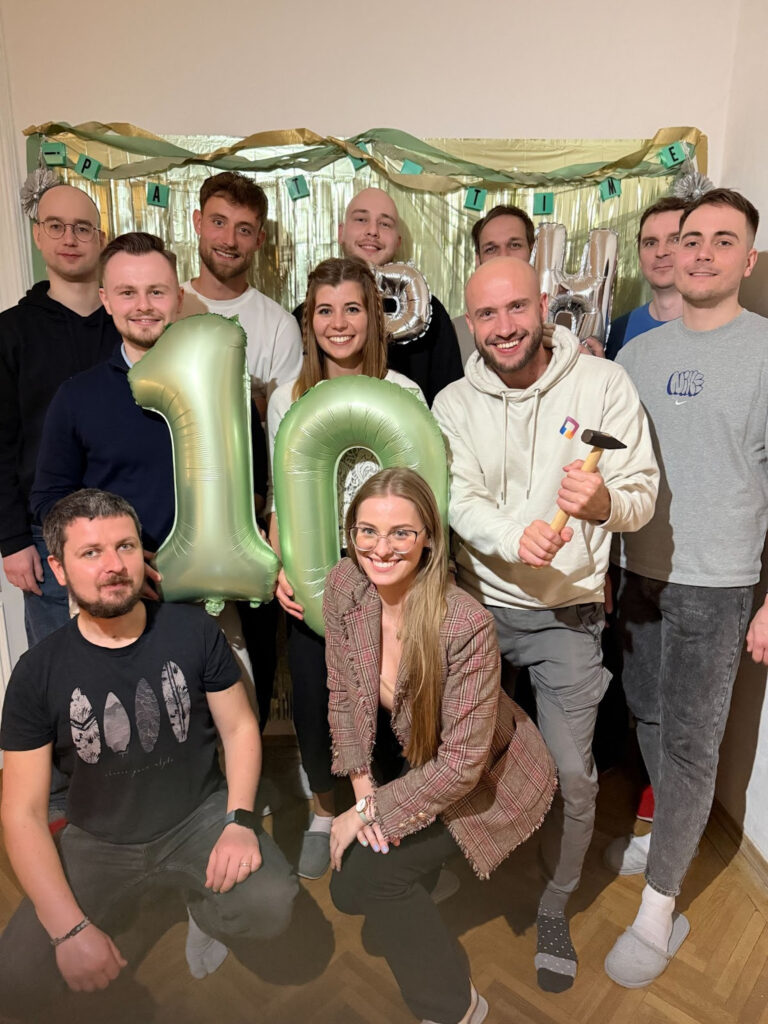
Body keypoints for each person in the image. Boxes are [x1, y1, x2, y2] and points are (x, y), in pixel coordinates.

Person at [431, 257, 658, 992]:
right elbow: (456, 496)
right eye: (486, 315)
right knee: (462, 764)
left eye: (515, 309)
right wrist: (509, 535)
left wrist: (602, 507)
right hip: (480, 607)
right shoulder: (453, 403)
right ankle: (471, 872)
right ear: (471, 321)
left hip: (569, 614)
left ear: (543, 306)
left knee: (571, 778)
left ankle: (555, 904)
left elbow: (641, 494)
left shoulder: (603, 385)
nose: (503, 327)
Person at [0, 489, 297, 1022]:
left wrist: (240, 819)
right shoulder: (35, 673)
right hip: (98, 839)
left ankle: (202, 909)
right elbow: (21, 813)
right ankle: (135, 907)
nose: (114, 566)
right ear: (58, 568)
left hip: (198, 817)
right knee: (18, 977)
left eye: (126, 546)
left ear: (144, 553)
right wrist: (70, 931)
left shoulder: (194, 633)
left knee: (272, 902)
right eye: (91, 552)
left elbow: (241, 728)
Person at [603, 188, 768, 987]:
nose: (699, 252)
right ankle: (669, 830)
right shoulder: (638, 357)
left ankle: (661, 905)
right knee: (647, 716)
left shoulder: (766, 350)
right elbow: (608, 474)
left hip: (720, 583)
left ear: (748, 258)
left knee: (692, 743)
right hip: (638, 577)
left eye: (720, 240)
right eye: (689, 238)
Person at [326, 467, 556, 1024]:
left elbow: (462, 766)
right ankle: (423, 880)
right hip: (417, 764)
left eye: (401, 532)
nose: (381, 548)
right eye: (367, 531)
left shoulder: (463, 622)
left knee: (373, 885)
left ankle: (455, 1007)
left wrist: (371, 812)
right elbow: (342, 692)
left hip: (488, 777)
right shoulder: (344, 585)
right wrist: (362, 797)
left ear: (429, 536)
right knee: (346, 892)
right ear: (350, 532)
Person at [29, 232, 272, 729]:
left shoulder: (226, 390)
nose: (143, 306)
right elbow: (50, 500)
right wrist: (120, 559)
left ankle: (237, 809)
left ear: (177, 297)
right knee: (124, 734)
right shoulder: (79, 397)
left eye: (157, 292)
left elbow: (256, 488)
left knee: (234, 725)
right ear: (105, 300)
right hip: (113, 598)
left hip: (210, 597)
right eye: (127, 293)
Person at [269, 257, 425, 879]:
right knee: (316, 704)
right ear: (309, 320)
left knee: (391, 708)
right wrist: (284, 566)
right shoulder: (290, 397)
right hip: (315, 577)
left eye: (352, 308)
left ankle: (389, 810)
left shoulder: (404, 394)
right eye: (324, 310)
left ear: (374, 316)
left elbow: (422, 498)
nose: (339, 323)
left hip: (389, 579)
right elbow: (283, 494)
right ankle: (322, 811)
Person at [0, 183, 119, 645]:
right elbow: (2, 443)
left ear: (100, 239)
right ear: (38, 236)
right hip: (45, 536)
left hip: (129, 528)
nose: (69, 238)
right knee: (63, 683)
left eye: (82, 228)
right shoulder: (12, 332)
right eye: (56, 226)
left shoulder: (129, 327)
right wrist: (12, 541)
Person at [293, 187, 463, 404]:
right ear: (341, 233)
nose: (373, 231)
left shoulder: (431, 313)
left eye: (385, 223)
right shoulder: (307, 312)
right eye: (361, 219)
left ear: (398, 241)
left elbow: (449, 396)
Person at [180, 171, 302, 420]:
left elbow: (283, 422)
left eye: (244, 230)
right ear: (198, 222)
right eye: (218, 222)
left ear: (259, 239)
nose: (229, 240)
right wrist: (255, 398)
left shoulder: (280, 326)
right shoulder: (165, 309)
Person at [605, 196, 688, 360]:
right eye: (651, 243)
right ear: (639, 257)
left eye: (675, 239)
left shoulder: (715, 327)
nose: (661, 252)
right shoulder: (617, 332)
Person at [453, 204, 536, 364]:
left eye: (515, 245)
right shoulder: (454, 333)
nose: (504, 255)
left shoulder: (564, 324)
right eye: (491, 249)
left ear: (532, 250)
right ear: (478, 259)